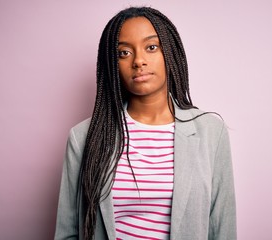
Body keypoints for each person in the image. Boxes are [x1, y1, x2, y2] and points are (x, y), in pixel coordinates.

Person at [55, 6, 236, 240]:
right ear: (112, 64)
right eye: (124, 53)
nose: (138, 61)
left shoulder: (211, 133)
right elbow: (67, 233)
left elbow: (223, 229)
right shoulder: (83, 137)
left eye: (151, 47)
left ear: (169, 52)